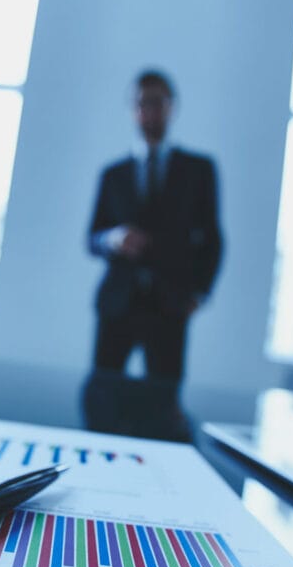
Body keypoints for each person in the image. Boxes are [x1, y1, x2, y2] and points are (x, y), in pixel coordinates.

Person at [86, 70, 222, 400]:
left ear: (172, 107)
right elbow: (93, 237)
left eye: (158, 102)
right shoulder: (113, 174)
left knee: (163, 402)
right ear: (132, 108)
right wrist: (114, 239)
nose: (150, 110)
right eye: (143, 103)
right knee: (104, 397)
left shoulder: (198, 170)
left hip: (170, 305)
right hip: (118, 303)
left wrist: (198, 294)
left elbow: (213, 239)